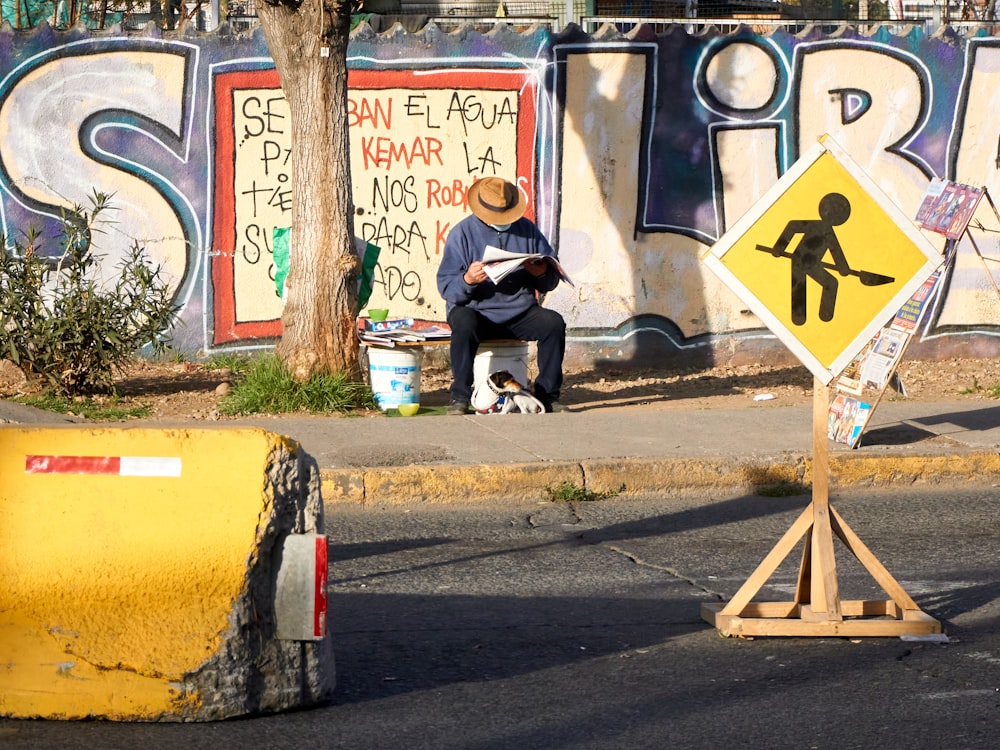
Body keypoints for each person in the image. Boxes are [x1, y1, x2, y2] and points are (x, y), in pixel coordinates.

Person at [437, 177, 567, 414]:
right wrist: (468, 280)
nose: (503, 222)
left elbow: (550, 281)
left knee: (553, 323)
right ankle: (460, 397)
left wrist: (540, 273)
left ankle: (548, 395)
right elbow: (447, 288)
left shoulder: (527, 229)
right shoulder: (462, 233)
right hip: (478, 313)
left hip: (520, 312)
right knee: (463, 322)